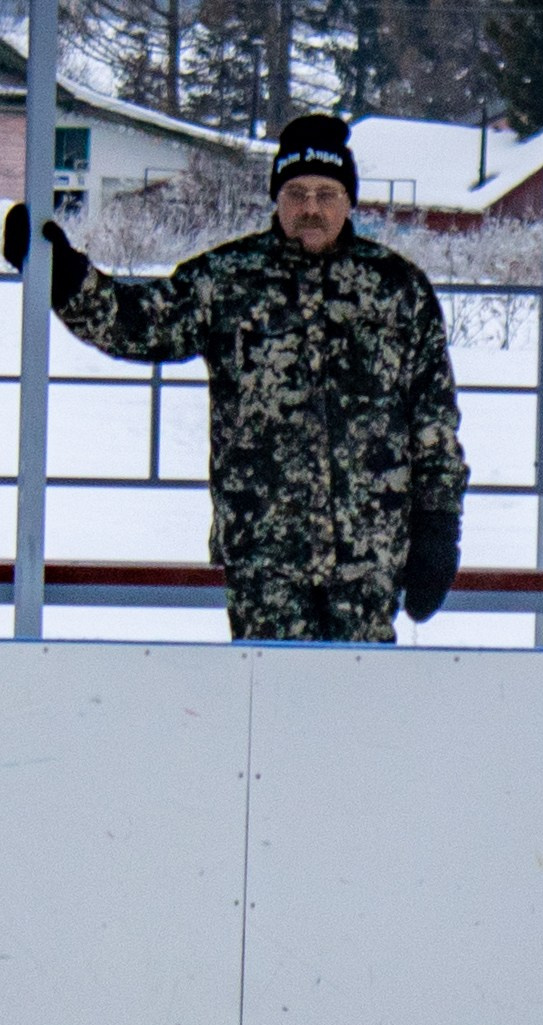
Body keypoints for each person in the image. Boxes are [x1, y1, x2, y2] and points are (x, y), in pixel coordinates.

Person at [3, 114, 467, 643]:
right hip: (264, 559)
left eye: (325, 192)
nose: (310, 208)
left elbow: (433, 424)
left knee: (360, 714)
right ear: (276, 197)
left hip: (369, 559)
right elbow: (139, 322)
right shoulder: (229, 279)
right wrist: (62, 274)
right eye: (296, 193)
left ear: (349, 199)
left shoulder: (399, 291)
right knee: (262, 713)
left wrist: (438, 528)